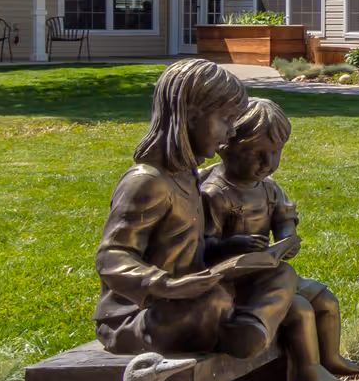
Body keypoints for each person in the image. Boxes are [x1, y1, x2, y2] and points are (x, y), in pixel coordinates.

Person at [94, 59, 298, 359]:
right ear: (190, 116)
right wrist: (167, 286)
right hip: (139, 314)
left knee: (280, 275)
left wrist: (234, 254)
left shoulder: (189, 177)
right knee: (214, 303)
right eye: (226, 120)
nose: (230, 133)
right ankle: (235, 328)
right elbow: (112, 256)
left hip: (193, 288)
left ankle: (246, 328)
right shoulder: (146, 181)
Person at [200, 99, 359, 381]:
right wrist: (235, 244)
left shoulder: (268, 186)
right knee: (299, 309)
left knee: (325, 300)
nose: (267, 162)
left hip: (269, 271)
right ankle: (307, 368)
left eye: (275, 153)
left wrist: (287, 238)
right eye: (256, 153)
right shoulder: (216, 193)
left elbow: (283, 216)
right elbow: (204, 247)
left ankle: (331, 356)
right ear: (225, 147)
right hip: (239, 281)